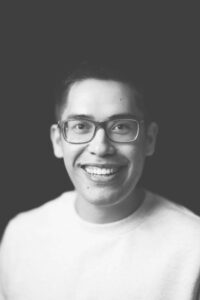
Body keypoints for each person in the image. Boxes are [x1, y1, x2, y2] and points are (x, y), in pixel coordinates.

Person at [0, 60, 200, 300]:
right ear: (57, 141)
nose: (101, 147)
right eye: (81, 126)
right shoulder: (21, 235)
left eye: (121, 127)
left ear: (149, 140)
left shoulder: (192, 246)